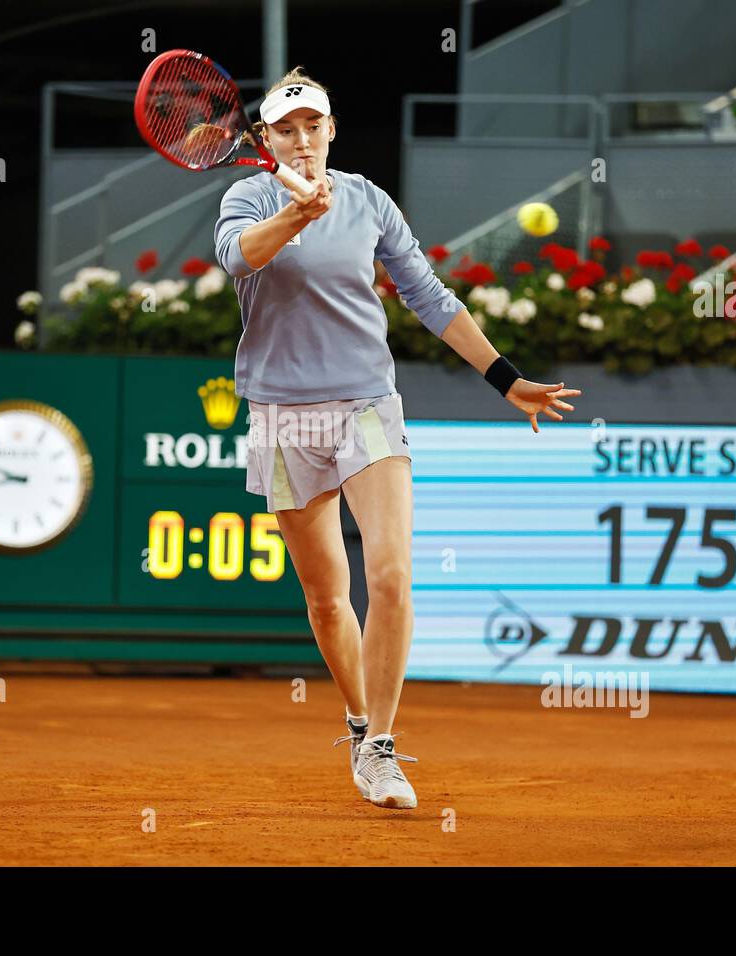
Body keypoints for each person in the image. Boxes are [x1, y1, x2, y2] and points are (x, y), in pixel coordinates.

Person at [213, 69, 580, 809]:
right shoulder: (248, 196)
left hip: (366, 407)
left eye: (314, 124)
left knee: (390, 575)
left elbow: (427, 296)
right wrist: (295, 217)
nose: (303, 139)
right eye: (287, 129)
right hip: (284, 416)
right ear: (266, 140)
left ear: (332, 129)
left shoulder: (369, 200)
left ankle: (380, 747)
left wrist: (505, 378)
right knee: (325, 600)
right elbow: (235, 257)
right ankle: (355, 721)